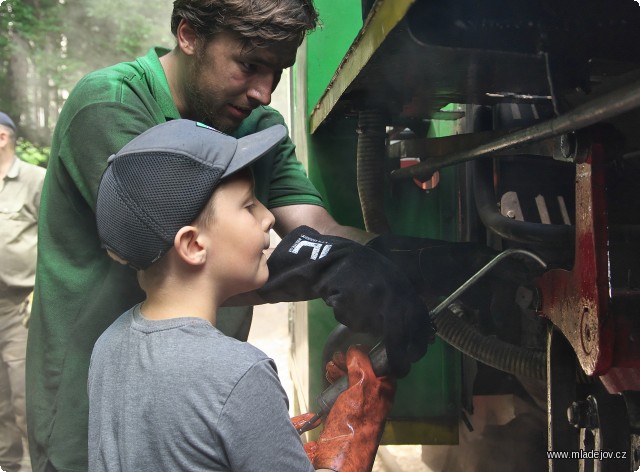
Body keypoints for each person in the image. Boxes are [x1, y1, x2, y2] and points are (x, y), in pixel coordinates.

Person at [26, 2, 437, 471]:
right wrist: (329, 266)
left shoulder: (253, 125)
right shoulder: (112, 107)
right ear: (188, 35)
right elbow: (172, 259)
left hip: (200, 407)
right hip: (101, 408)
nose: (264, 92)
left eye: (278, 71)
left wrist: (404, 264)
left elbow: (317, 232)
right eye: (249, 65)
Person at [88, 119, 395, 472]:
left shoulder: (108, 346)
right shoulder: (240, 375)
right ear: (192, 245)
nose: (267, 217)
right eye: (249, 205)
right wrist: (353, 434)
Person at [0, 111, 44, 472]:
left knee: (23, 398)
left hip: (20, 310)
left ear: (2, 138)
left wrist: (40, 296)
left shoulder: (34, 180)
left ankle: (34, 466)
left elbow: (58, 243)